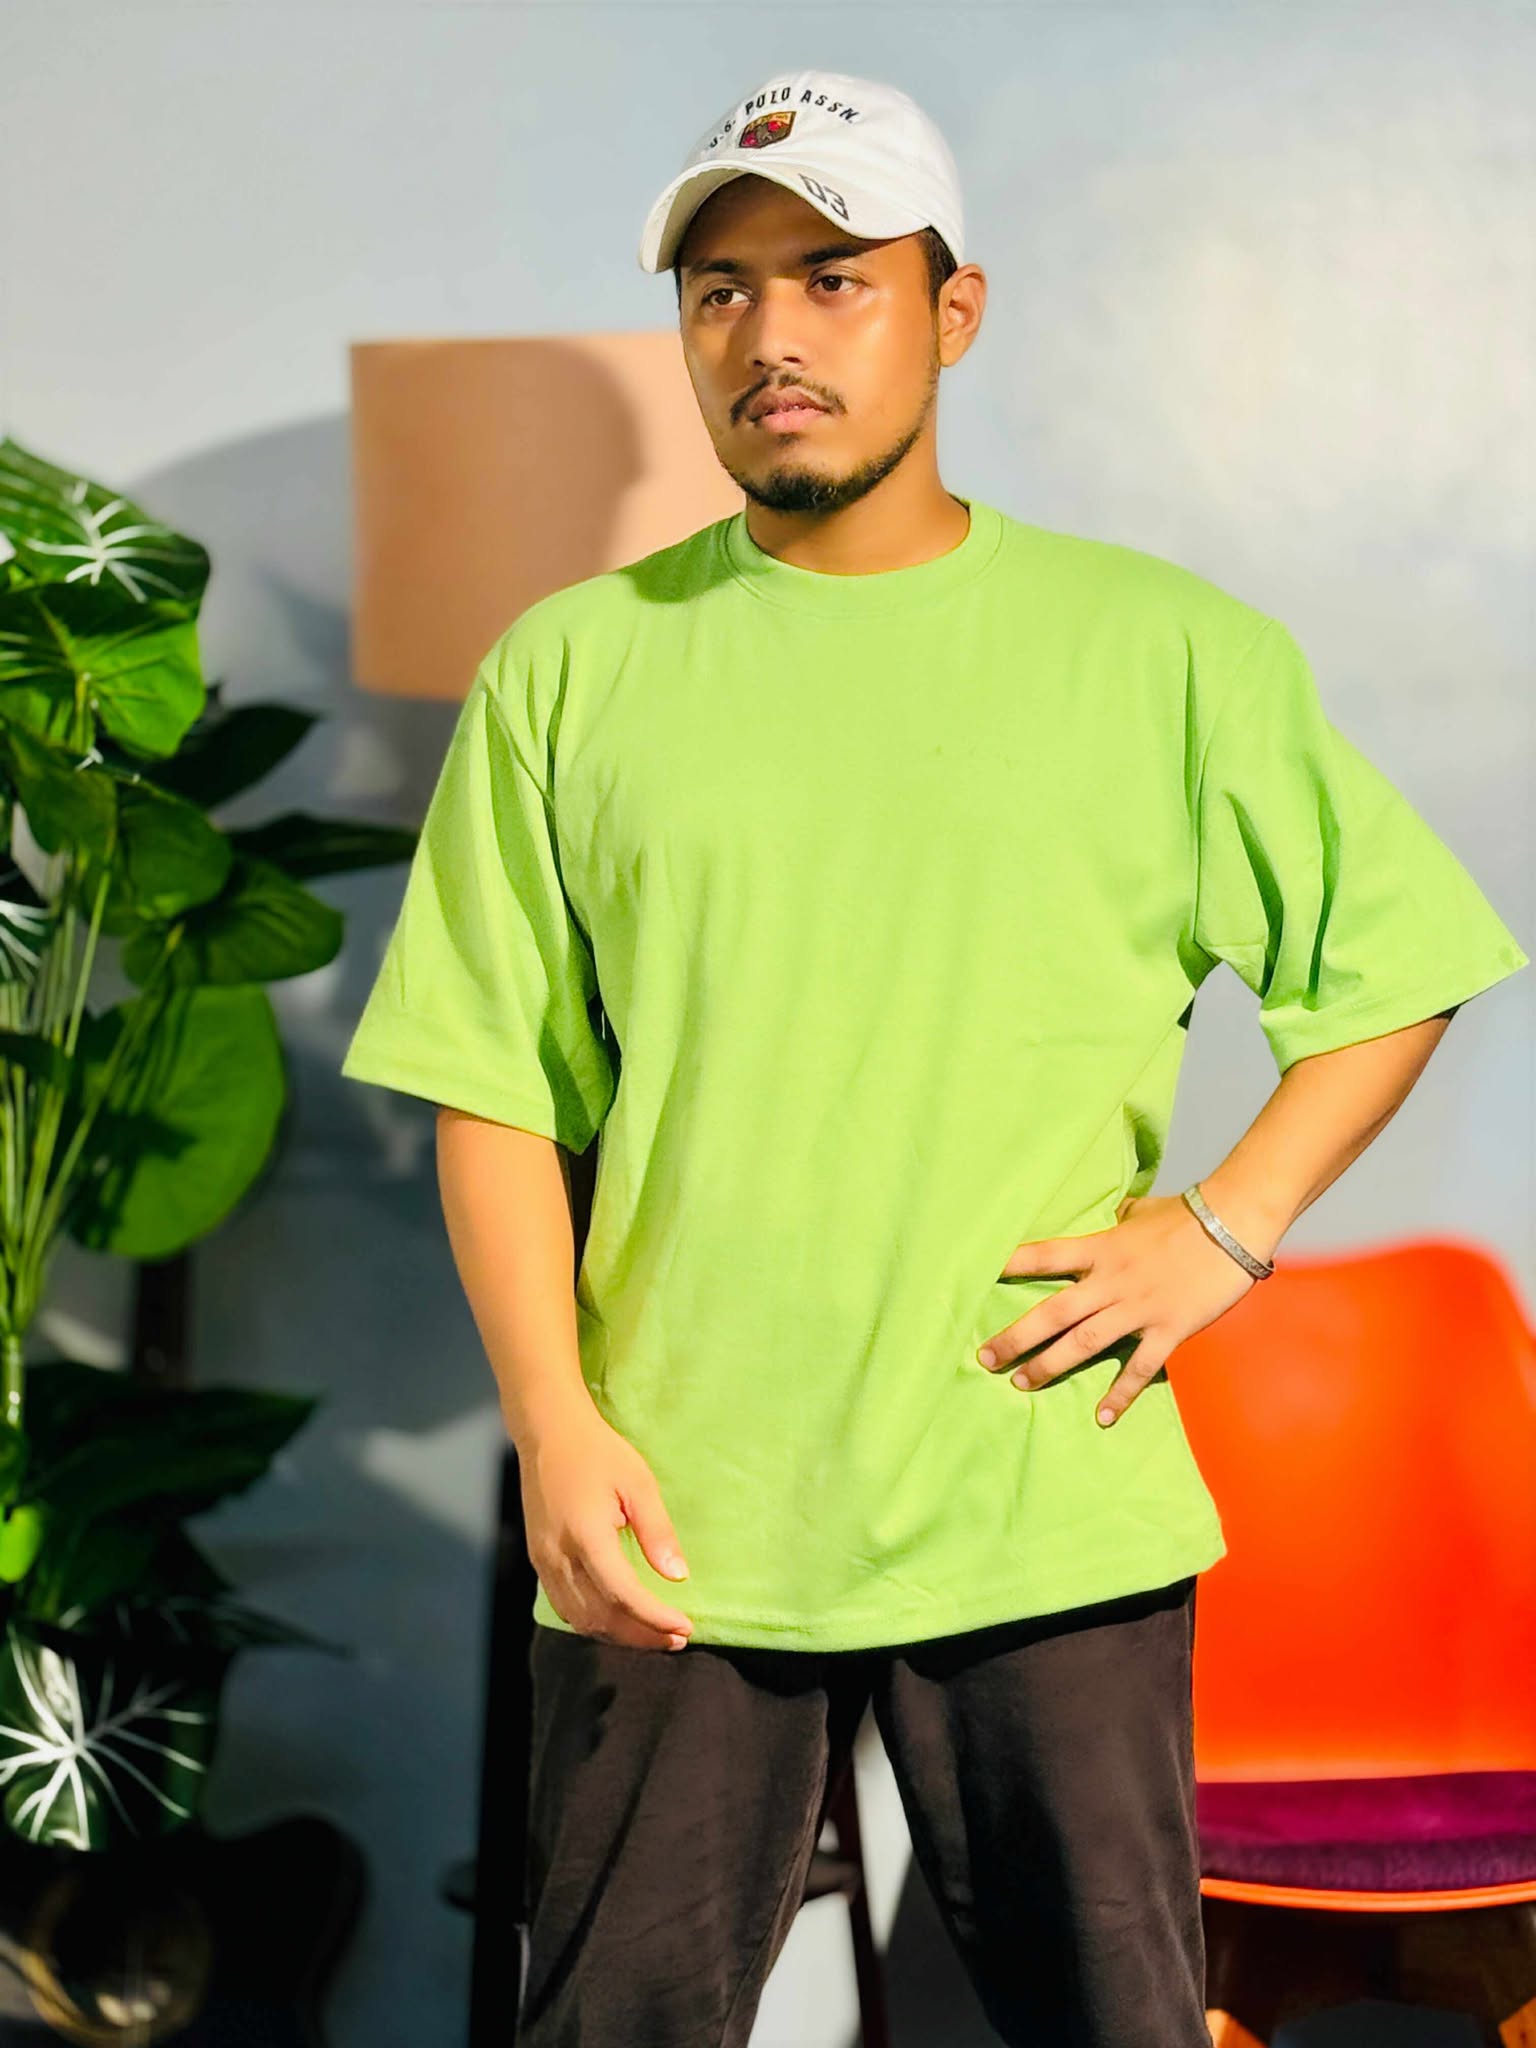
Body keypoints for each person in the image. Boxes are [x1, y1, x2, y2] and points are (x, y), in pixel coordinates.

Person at [340, 67, 1530, 2048]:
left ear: (952, 311)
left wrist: (1222, 1231)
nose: (771, 335)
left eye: (834, 278)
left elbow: (1398, 967)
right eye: (721, 289)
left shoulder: (1166, 653)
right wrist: (555, 1422)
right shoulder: (568, 668)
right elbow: (493, 1091)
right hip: (677, 1505)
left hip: (1037, 1486)